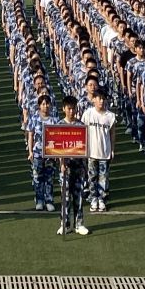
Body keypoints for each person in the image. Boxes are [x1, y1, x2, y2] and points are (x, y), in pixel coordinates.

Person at [53, 96, 89, 235]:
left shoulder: (81, 126)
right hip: (65, 166)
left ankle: (79, 224)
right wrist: (61, 162)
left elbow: (85, 147)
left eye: (73, 108)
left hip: (79, 166)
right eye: (69, 108)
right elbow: (56, 147)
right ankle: (65, 224)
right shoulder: (59, 125)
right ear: (63, 109)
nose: (71, 111)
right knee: (65, 196)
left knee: (78, 195)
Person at [83, 89, 116, 214]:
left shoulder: (110, 116)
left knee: (103, 178)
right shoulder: (88, 114)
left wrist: (112, 149)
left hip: (104, 153)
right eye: (98, 98)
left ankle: (102, 199)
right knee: (92, 177)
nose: (101, 101)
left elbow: (112, 134)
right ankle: (93, 199)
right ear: (94, 100)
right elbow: (83, 131)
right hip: (91, 153)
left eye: (103, 98)